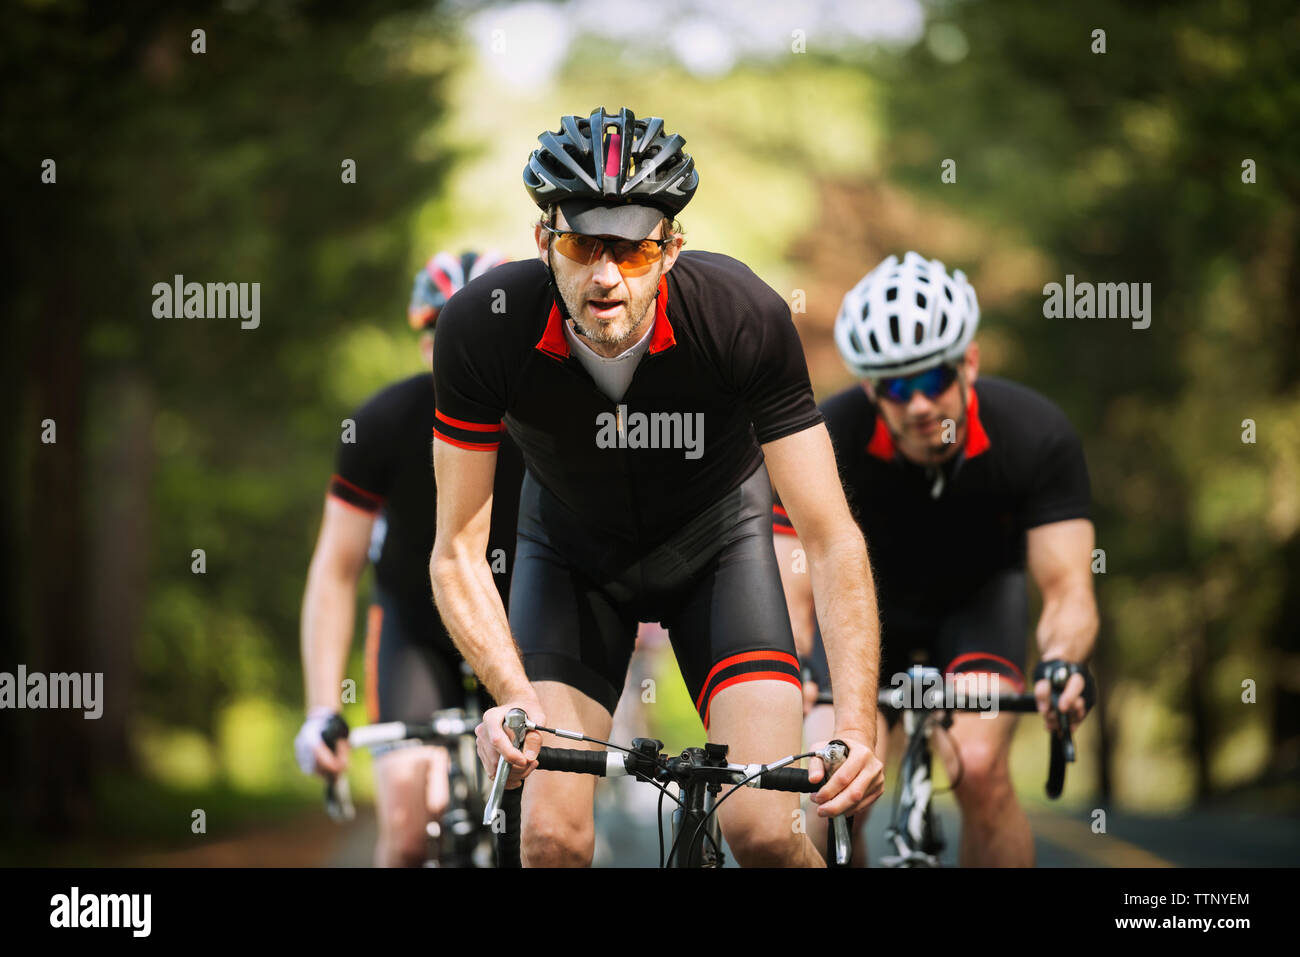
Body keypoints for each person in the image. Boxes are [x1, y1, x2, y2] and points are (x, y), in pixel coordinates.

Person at [429, 106, 885, 868]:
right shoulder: (484, 328)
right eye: (582, 243)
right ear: (545, 241)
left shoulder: (741, 316)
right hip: (570, 560)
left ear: (671, 249)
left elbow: (832, 535)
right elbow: (456, 552)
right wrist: (510, 694)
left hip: (719, 549)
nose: (605, 274)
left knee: (767, 831)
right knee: (548, 838)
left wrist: (859, 728)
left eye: (633, 249)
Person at [773, 251, 1098, 866]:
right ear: (871, 388)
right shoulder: (826, 437)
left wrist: (1061, 664)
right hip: (860, 622)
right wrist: (796, 666)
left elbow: (1068, 592)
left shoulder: (1035, 434)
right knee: (832, 787)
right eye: (897, 386)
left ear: (968, 363)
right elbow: (792, 580)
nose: (919, 404)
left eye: (933, 379)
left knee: (978, 767)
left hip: (975, 610)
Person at [295, 249, 524, 866]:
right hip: (416, 629)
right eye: (440, 333)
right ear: (423, 341)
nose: (457, 353)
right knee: (404, 830)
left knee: (540, 833)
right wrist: (321, 709)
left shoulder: (548, 420)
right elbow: (335, 571)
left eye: (480, 333)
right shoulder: (382, 421)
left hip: (522, 624)